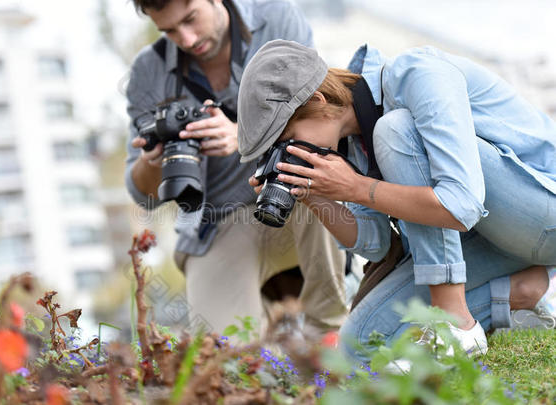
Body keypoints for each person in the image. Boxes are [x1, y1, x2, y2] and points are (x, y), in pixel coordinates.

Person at [236, 40, 556, 359]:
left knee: (396, 132)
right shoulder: (349, 144)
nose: (291, 155)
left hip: (540, 211)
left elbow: (463, 203)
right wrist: (312, 195)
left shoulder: (416, 74)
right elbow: (376, 243)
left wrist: (357, 188)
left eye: (287, 142)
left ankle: (455, 325)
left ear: (317, 101)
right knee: (359, 348)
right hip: (486, 239)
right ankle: (521, 292)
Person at [124, 1, 348, 337]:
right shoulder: (148, 72)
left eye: (190, 19)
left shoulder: (275, 20)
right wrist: (153, 161)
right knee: (227, 358)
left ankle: (332, 336)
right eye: (169, 31)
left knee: (314, 180)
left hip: (289, 197)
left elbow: (318, 112)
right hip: (216, 224)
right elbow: (145, 196)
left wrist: (242, 134)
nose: (185, 39)